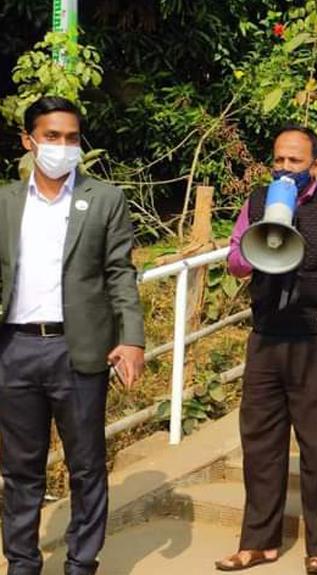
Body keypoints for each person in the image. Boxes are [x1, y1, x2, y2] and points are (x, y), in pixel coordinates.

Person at [0, 96, 145, 575]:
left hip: (78, 350)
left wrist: (132, 339)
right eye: (51, 136)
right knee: (21, 470)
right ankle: (22, 562)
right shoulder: (5, 202)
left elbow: (120, 273)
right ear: (29, 141)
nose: (62, 147)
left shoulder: (104, 199)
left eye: (71, 138)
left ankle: (81, 563)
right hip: (14, 351)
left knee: (86, 466)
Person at [216, 125, 317, 573]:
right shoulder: (258, 201)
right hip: (266, 337)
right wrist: (260, 237)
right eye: (279, 160)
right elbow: (234, 262)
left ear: (316, 165)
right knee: (260, 443)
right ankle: (258, 541)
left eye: (295, 162)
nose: (285, 169)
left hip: (315, 340)